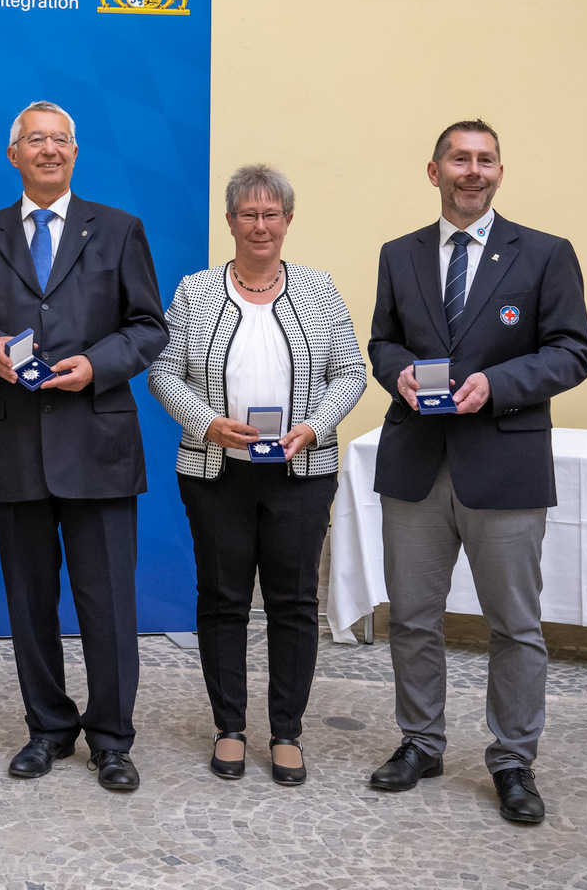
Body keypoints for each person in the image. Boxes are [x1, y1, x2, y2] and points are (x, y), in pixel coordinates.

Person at [364, 120, 587, 824]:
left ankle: (513, 760)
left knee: (515, 625)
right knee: (412, 617)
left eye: (485, 160)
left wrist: (497, 384)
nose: (473, 171)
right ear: (433, 172)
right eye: (458, 160)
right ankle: (421, 742)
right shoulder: (398, 254)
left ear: (500, 171)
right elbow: (383, 340)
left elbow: (572, 351)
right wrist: (399, 372)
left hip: (505, 463)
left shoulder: (546, 254)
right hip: (417, 464)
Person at [0, 100, 167, 791]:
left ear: (76, 153)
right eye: (35, 140)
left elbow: (148, 327)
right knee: (28, 600)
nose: (49, 150)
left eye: (60, 141)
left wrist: (96, 366)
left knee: (108, 604)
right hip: (17, 445)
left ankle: (111, 739)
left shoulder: (121, 230)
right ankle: (47, 727)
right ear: (12, 154)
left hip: (98, 443)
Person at [148, 164, 366, 786]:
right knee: (222, 600)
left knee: (295, 602)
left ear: (289, 221)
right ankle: (230, 728)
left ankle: (288, 732)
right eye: (249, 214)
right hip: (218, 473)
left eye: (272, 214)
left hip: (300, 472)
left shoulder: (320, 292)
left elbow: (350, 372)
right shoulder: (194, 292)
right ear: (230, 222)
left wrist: (311, 428)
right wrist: (206, 424)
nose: (261, 225)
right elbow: (164, 370)